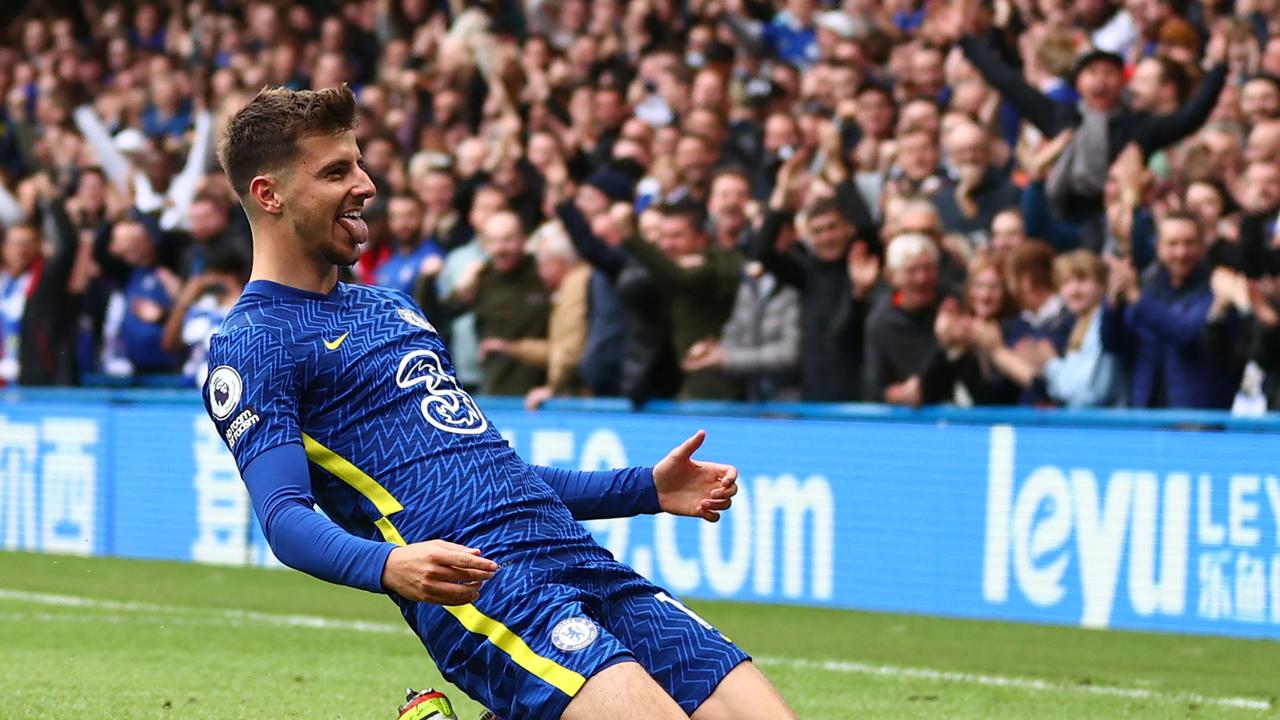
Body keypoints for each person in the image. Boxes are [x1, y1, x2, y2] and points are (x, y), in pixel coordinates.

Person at [203, 85, 794, 720]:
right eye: (336, 171)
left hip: (575, 552)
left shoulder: (392, 308)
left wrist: (644, 489)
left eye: (360, 162)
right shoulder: (254, 343)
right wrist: (390, 564)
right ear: (270, 195)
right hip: (484, 583)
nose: (366, 184)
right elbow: (286, 517)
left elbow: (489, 473)